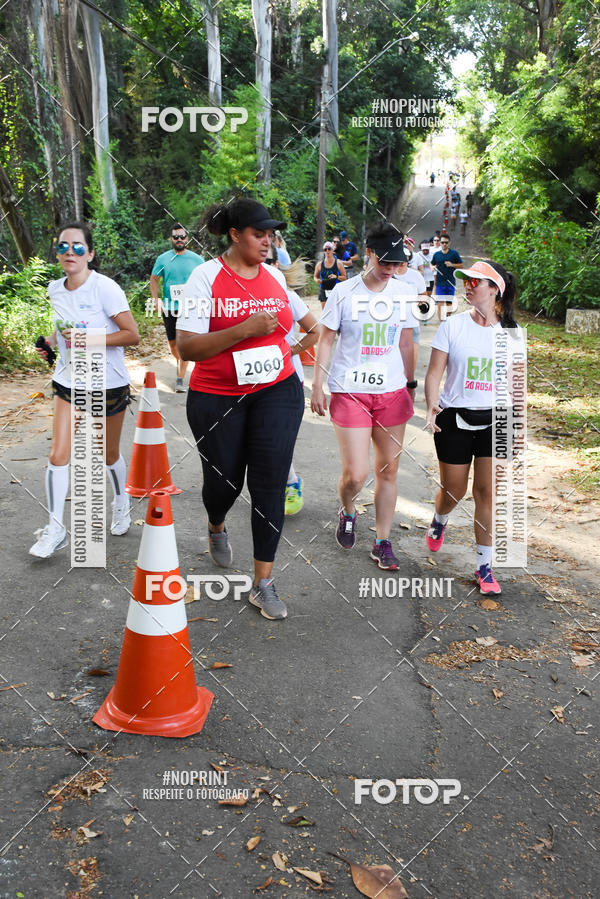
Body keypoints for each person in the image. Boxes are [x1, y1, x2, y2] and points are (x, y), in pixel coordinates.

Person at [176, 198, 305, 621]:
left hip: (277, 392)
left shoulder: (274, 276)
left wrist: (288, 356)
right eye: (258, 234)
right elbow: (188, 346)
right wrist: (245, 330)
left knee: (269, 483)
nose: (268, 241)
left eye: (271, 234)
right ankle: (216, 522)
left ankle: (263, 582)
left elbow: (314, 328)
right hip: (218, 396)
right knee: (226, 484)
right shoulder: (205, 277)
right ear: (235, 235)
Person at [311, 223, 418, 570]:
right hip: (350, 390)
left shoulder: (402, 293)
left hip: (391, 392)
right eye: (384, 261)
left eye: (396, 263)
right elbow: (326, 339)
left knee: (388, 471)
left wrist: (410, 385)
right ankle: (348, 509)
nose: (390, 269)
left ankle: (383, 541)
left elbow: (405, 342)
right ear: (368, 253)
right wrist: (317, 384)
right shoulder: (344, 293)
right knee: (356, 475)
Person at [30, 222, 140, 558]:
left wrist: (90, 340)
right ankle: (55, 528)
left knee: (108, 454)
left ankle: (121, 501)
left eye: (78, 246)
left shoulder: (105, 289)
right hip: (68, 382)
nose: (69, 252)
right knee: (58, 455)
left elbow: (131, 334)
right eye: (63, 246)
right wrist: (50, 343)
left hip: (108, 383)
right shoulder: (54, 289)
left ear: (90, 253)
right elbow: (62, 328)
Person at [424, 260, 524, 596]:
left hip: (497, 420)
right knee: (454, 490)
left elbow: (516, 383)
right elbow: (435, 372)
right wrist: (431, 405)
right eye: (466, 281)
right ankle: (440, 520)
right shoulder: (452, 326)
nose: (468, 286)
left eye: (476, 282)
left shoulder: (512, 333)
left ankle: (484, 567)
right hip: (454, 417)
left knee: (487, 493)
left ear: (495, 289)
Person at [282, 260, 319, 514]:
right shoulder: (239, 295)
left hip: (287, 378)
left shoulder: (287, 296)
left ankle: (291, 483)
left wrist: (290, 352)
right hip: (248, 379)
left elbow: (315, 331)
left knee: (279, 439)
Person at [150, 224, 204, 392]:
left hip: (190, 307)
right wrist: (155, 300)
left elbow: (205, 279)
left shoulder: (196, 259)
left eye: (182, 237)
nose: (179, 240)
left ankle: (180, 378)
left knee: (184, 343)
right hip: (169, 307)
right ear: (171, 239)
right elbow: (154, 279)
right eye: (176, 237)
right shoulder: (163, 259)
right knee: (173, 345)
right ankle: (181, 361)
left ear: (187, 239)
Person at [432, 234, 463, 322]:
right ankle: (442, 323)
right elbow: (432, 263)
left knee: (449, 304)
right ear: (440, 243)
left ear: (449, 243)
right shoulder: (437, 254)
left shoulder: (454, 254)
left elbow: (461, 265)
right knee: (440, 305)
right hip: (439, 283)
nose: (444, 244)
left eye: (446, 242)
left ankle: (448, 318)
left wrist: (452, 264)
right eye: (442, 242)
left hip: (450, 282)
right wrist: (432, 267)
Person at [314, 242, 347, 306]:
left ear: (332, 250)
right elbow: (315, 276)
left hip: (335, 289)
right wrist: (317, 280)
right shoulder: (319, 264)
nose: (327, 251)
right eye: (325, 249)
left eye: (329, 249)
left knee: (335, 310)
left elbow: (345, 277)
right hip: (323, 288)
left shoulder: (338, 263)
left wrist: (336, 277)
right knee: (325, 311)